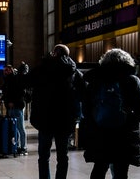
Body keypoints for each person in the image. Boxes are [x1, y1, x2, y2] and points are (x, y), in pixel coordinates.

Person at [82, 48, 140, 179]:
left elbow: (85, 106)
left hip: (100, 132)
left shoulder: (95, 80)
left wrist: (94, 120)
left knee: (99, 168)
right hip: (124, 134)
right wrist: (132, 119)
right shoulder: (132, 80)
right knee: (121, 171)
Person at [22, 44, 85, 179]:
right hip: (65, 120)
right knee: (63, 156)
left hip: (45, 119)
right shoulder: (73, 72)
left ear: (54, 53)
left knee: (43, 156)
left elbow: (25, 82)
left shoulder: (42, 69)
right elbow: (84, 91)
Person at [1, 63, 28, 155]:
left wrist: (13, 102)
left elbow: (21, 92)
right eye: (5, 70)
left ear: (12, 70)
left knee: (20, 127)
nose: (6, 72)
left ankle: (23, 147)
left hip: (17, 106)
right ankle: (16, 146)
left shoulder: (15, 79)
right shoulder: (7, 81)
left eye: (8, 70)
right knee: (14, 128)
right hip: (10, 107)